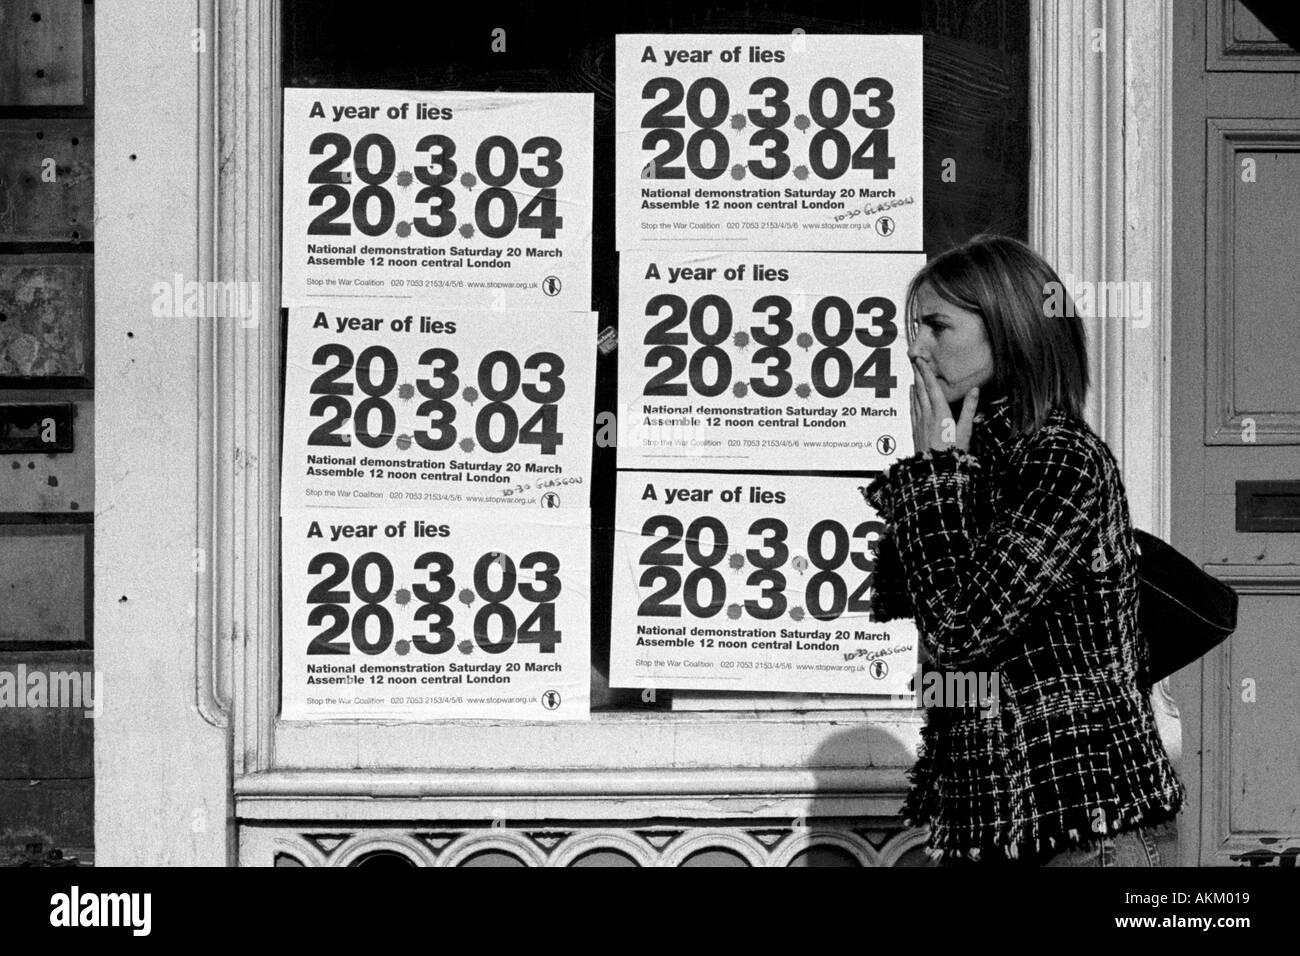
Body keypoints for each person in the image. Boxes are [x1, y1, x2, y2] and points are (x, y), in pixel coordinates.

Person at [859, 234, 1184, 866]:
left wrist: (934, 474)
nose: (914, 346)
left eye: (936, 325)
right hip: (990, 824)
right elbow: (920, 618)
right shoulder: (973, 463)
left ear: (1008, 329)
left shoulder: (1061, 459)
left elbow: (959, 629)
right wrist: (944, 469)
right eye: (912, 325)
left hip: (1087, 828)